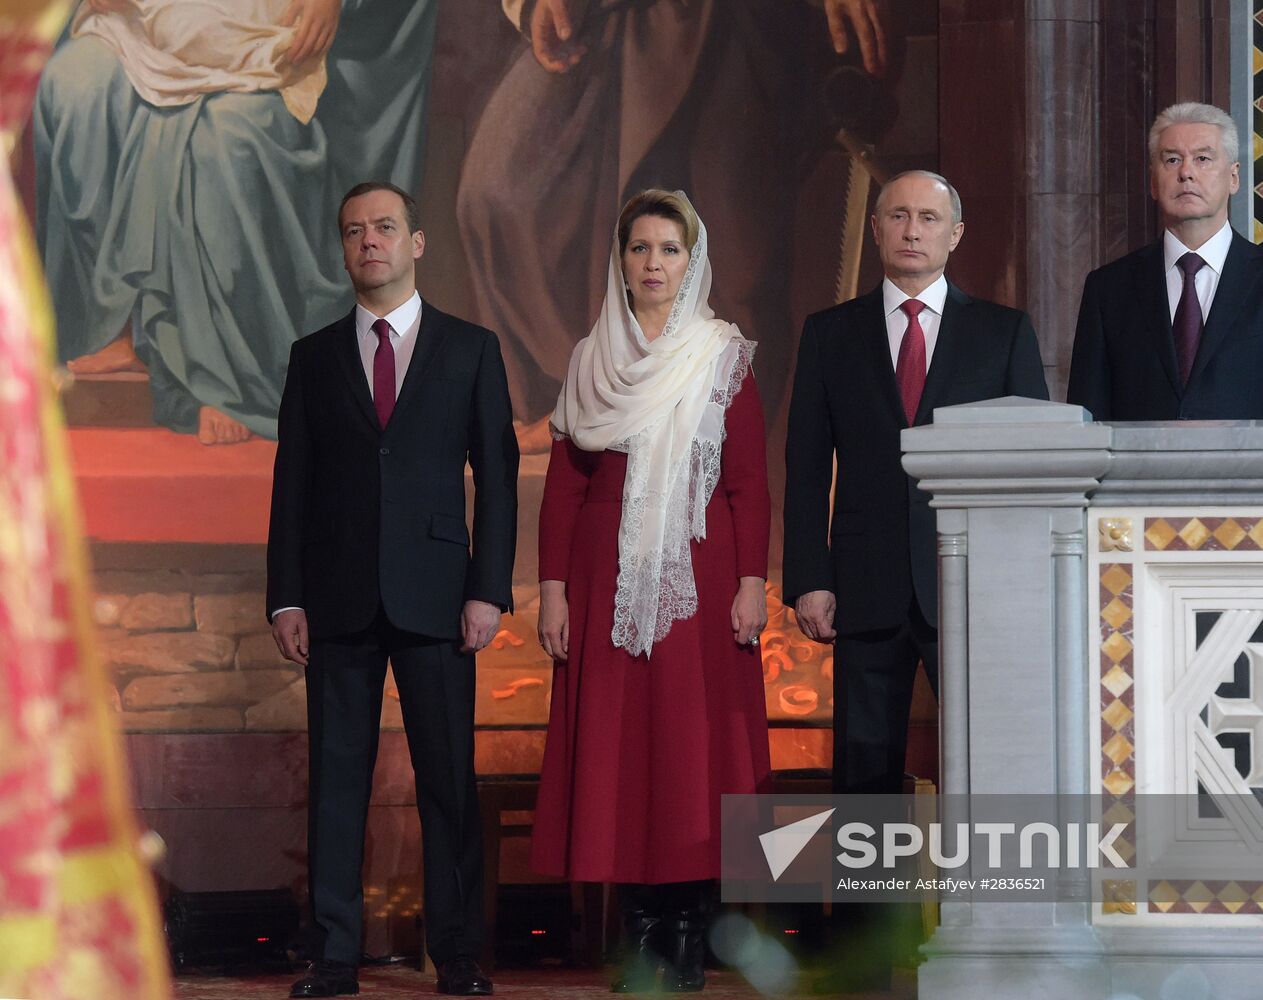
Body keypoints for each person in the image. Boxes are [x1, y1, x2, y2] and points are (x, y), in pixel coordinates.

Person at [782, 170, 1049, 991]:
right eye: (896, 214)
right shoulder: (829, 333)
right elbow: (802, 466)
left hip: (972, 584)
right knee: (863, 771)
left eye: (927, 217)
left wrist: (1021, 586)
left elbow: (1031, 468)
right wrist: (807, 579)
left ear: (954, 234)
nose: (910, 229)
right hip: (861, 584)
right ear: (874, 229)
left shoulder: (1001, 332)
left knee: (988, 767)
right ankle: (865, 947)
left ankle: (998, 933)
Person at [266, 182, 518, 998]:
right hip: (335, 600)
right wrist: (286, 596)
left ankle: (458, 955)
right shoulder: (313, 357)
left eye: (383, 228)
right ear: (343, 251)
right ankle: (334, 956)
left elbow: (500, 479)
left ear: (416, 243)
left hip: (441, 599)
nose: (367, 241)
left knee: (448, 781)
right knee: (338, 783)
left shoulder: (472, 349)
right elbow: (291, 484)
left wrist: (487, 590)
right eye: (352, 232)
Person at [459, 0, 898, 442]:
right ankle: (581, 407)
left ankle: (677, 438)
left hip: (737, 20)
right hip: (603, 17)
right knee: (497, 193)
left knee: (725, 243)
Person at [531, 190, 771, 993]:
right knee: (619, 753)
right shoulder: (589, 356)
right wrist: (555, 591)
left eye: (669, 249)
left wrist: (750, 583)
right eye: (639, 248)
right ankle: (638, 935)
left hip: (698, 578)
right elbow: (563, 489)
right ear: (620, 261)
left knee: (691, 755)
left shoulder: (720, 354)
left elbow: (746, 485)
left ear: (691, 259)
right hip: (604, 578)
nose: (653, 264)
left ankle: (687, 932)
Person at [33, 0, 437, 443]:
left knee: (222, 139)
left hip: (272, 24)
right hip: (162, 15)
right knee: (76, 87)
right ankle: (120, 320)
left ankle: (213, 376)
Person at [1067, 101, 1263, 421]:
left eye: (1203, 158)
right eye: (1172, 159)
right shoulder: (1108, 289)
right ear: (1153, 181)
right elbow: (1087, 417)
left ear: (1233, 177)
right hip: (1142, 471)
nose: (1186, 172)